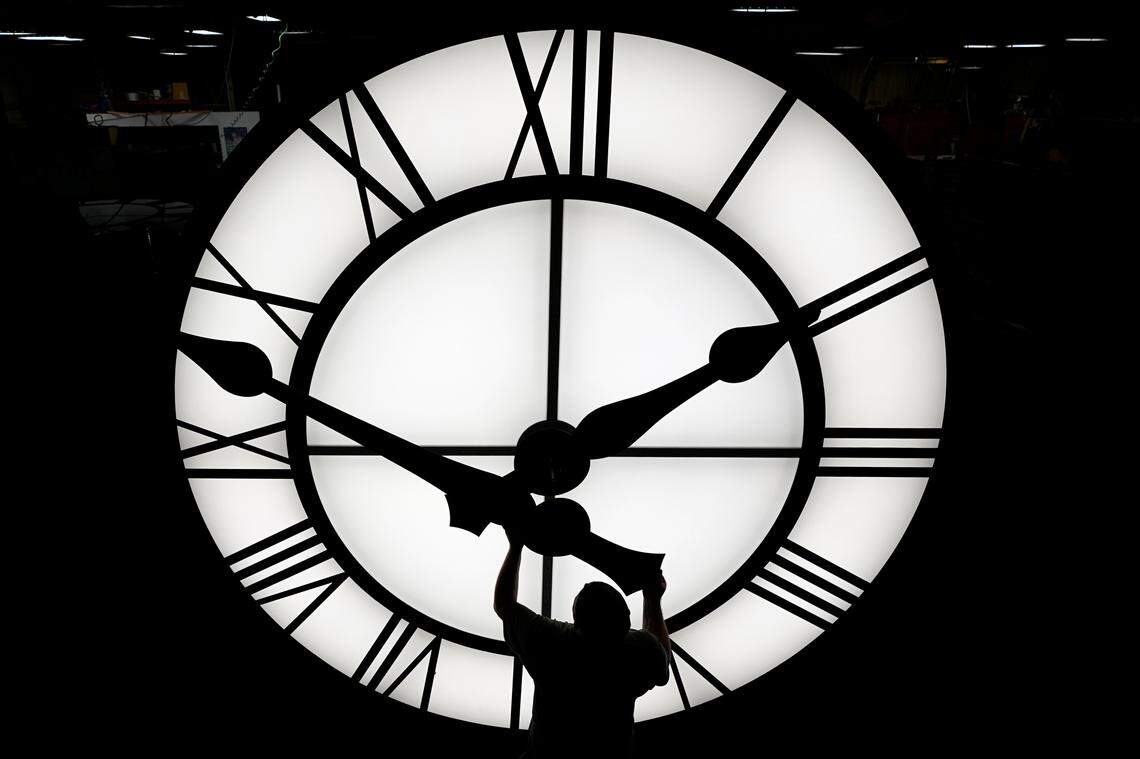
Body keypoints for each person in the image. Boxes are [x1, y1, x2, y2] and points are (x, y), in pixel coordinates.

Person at [494, 533, 671, 758]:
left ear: (576, 619)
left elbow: (504, 604)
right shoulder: (639, 650)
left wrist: (516, 546)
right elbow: (661, 659)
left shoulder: (552, 642)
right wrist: (652, 599)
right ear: (626, 618)